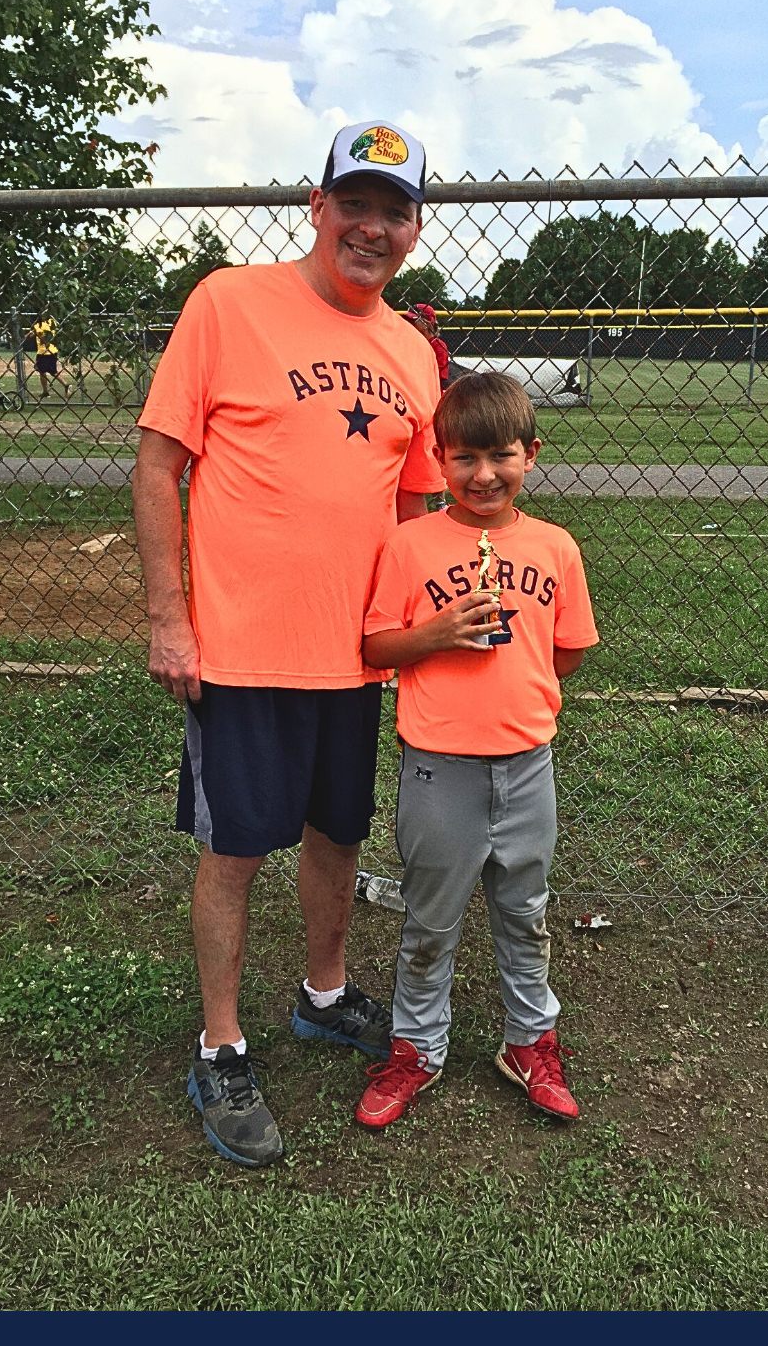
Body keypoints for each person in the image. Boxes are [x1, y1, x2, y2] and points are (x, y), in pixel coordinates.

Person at [132, 120, 446, 1168]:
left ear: (414, 230)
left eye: (393, 210)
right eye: (354, 203)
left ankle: (322, 991)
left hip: (355, 655)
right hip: (241, 650)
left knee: (338, 833)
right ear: (316, 207)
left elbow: (412, 512)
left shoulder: (412, 352)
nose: (371, 226)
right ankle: (220, 1045)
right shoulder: (229, 303)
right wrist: (170, 616)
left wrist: (409, 637)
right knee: (234, 849)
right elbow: (157, 463)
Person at [356, 371, 599, 1128]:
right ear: (439, 460)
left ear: (532, 454)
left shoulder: (555, 547)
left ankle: (529, 1042)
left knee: (524, 911)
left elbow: (567, 652)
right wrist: (436, 635)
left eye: (500, 456)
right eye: (463, 458)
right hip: (439, 767)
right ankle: (416, 1049)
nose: (483, 474)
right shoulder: (410, 544)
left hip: (527, 765)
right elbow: (375, 645)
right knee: (430, 921)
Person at [401, 303, 451, 388]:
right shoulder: (409, 342)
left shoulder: (438, 346)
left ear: (426, 324)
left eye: (413, 321)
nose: (409, 324)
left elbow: (440, 377)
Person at [30, 315, 69, 398]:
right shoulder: (52, 322)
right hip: (53, 350)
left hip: (43, 352)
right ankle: (65, 385)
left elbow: (35, 333)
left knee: (42, 372)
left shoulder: (38, 325)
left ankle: (45, 391)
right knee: (53, 371)